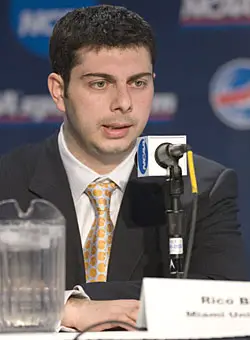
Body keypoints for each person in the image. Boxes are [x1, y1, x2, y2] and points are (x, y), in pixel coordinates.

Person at [0, 4, 247, 332]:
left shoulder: (201, 184)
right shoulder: (8, 179)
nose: (124, 103)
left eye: (138, 83)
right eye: (100, 84)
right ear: (59, 92)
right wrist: (68, 311)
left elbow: (224, 299)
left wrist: (76, 301)